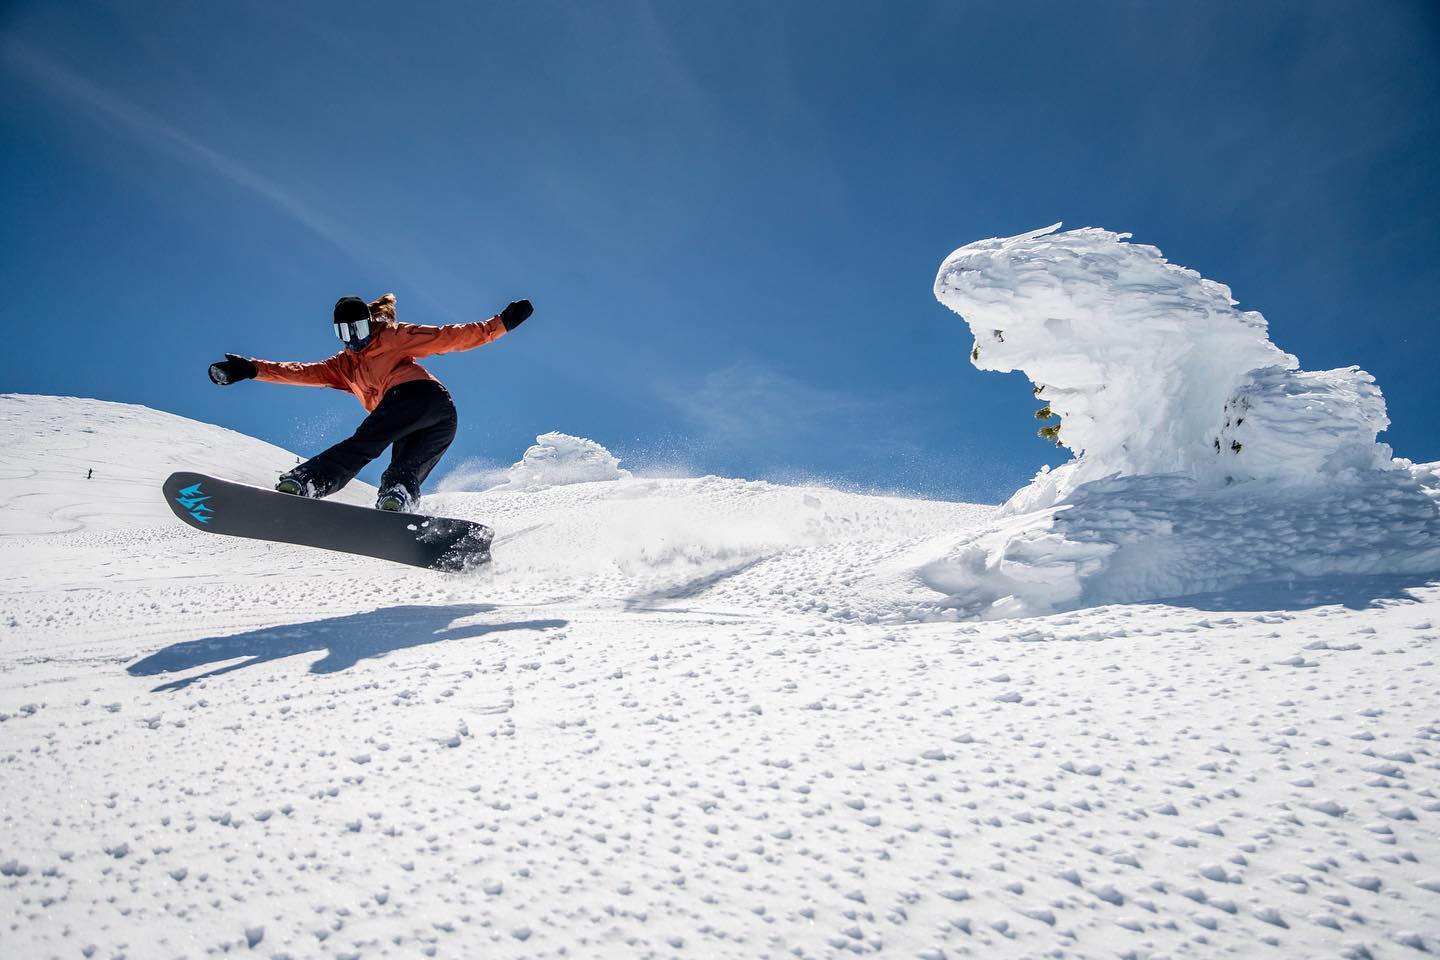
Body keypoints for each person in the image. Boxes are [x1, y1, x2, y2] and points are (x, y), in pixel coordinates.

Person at [207, 292, 532, 512]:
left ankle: (310, 480)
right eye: (344, 333)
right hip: (426, 419)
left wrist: (499, 325)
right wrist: (252, 369)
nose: (353, 338)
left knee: (367, 441)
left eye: (358, 328)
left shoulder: (390, 337)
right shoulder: (341, 367)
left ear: (369, 322)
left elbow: (447, 336)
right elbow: (299, 372)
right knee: (401, 472)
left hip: (425, 401)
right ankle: (398, 497)